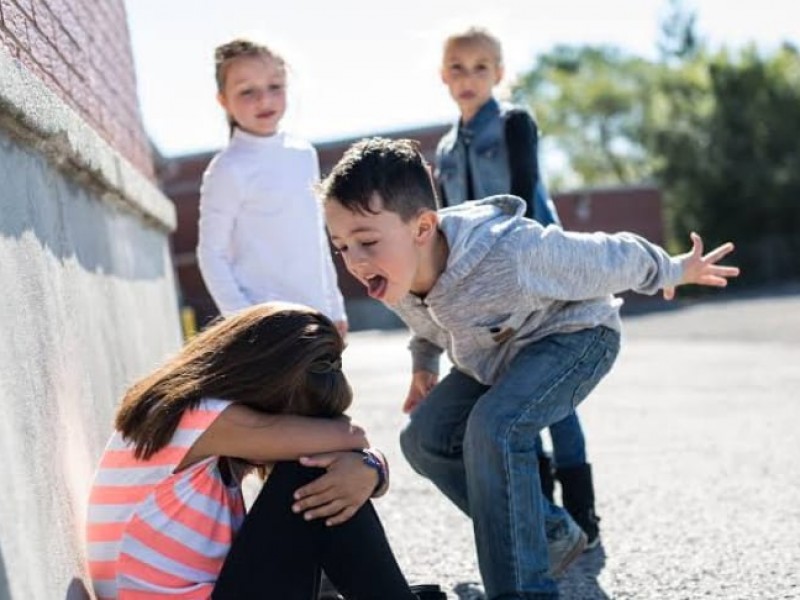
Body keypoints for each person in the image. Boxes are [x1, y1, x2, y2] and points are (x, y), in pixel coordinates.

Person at [320, 137, 739, 599]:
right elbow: (427, 322)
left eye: (366, 241)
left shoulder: (510, 253)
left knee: (494, 427)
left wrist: (674, 269)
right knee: (422, 440)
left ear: (422, 228)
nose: (354, 262)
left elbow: (605, 255)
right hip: (498, 356)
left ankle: (525, 590)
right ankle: (549, 534)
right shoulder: (396, 271)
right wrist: (424, 365)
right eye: (340, 246)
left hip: (575, 337)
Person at [85, 302, 446, 600]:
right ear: (264, 386)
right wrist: (369, 466)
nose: (297, 435)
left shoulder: (196, 423)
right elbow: (350, 436)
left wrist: (370, 470)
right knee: (311, 472)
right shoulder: (197, 416)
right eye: (296, 421)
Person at [433, 25, 601, 546]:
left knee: (556, 399)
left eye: (481, 67)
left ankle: (582, 514)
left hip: (537, 277)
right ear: (443, 75)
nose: (468, 77)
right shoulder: (442, 149)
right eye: (457, 67)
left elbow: (527, 198)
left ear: (499, 74)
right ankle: (547, 518)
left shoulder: (513, 124)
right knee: (511, 397)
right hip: (482, 293)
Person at [197, 39, 347, 338]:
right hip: (267, 328)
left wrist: (336, 308)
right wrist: (246, 322)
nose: (264, 100)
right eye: (247, 91)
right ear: (223, 100)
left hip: (318, 318)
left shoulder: (304, 154)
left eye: (274, 86)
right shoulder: (228, 168)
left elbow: (316, 239)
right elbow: (211, 254)